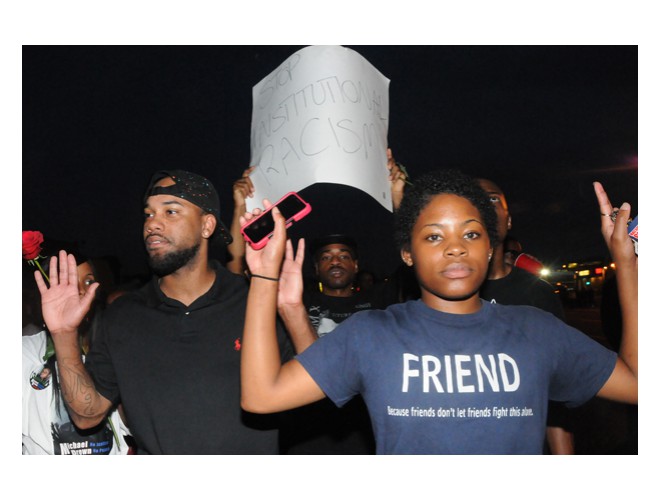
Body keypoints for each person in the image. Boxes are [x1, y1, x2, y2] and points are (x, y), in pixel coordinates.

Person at [239, 170, 637, 454]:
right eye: (433, 236)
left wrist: (628, 263)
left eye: (471, 233)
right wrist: (263, 279)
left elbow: (640, 386)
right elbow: (261, 396)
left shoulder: (536, 329)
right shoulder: (371, 334)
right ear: (407, 254)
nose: (456, 247)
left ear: (489, 246)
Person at [35, 170, 317, 454]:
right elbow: (87, 416)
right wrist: (64, 334)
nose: (153, 224)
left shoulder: (252, 301)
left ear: (207, 225)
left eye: (170, 212)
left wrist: (293, 309)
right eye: (148, 214)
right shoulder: (123, 315)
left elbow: (317, 386)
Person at [477, 178, 574, 454]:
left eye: (493, 199)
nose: (483, 204)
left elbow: (556, 390)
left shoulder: (538, 295)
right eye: (473, 198)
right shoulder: (440, 295)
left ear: (508, 221)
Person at [279, 234, 397, 454]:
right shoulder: (298, 303)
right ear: (315, 269)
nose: (335, 261)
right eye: (326, 258)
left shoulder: (381, 303)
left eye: (344, 256)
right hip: (307, 428)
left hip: (364, 430)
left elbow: (415, 262)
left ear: (355, 266)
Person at [23, 247, 131, 455]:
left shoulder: (113, 349)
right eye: (68, 283)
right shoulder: (24, 352)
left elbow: (135, 424)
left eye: (88, 281)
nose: (80, 291)